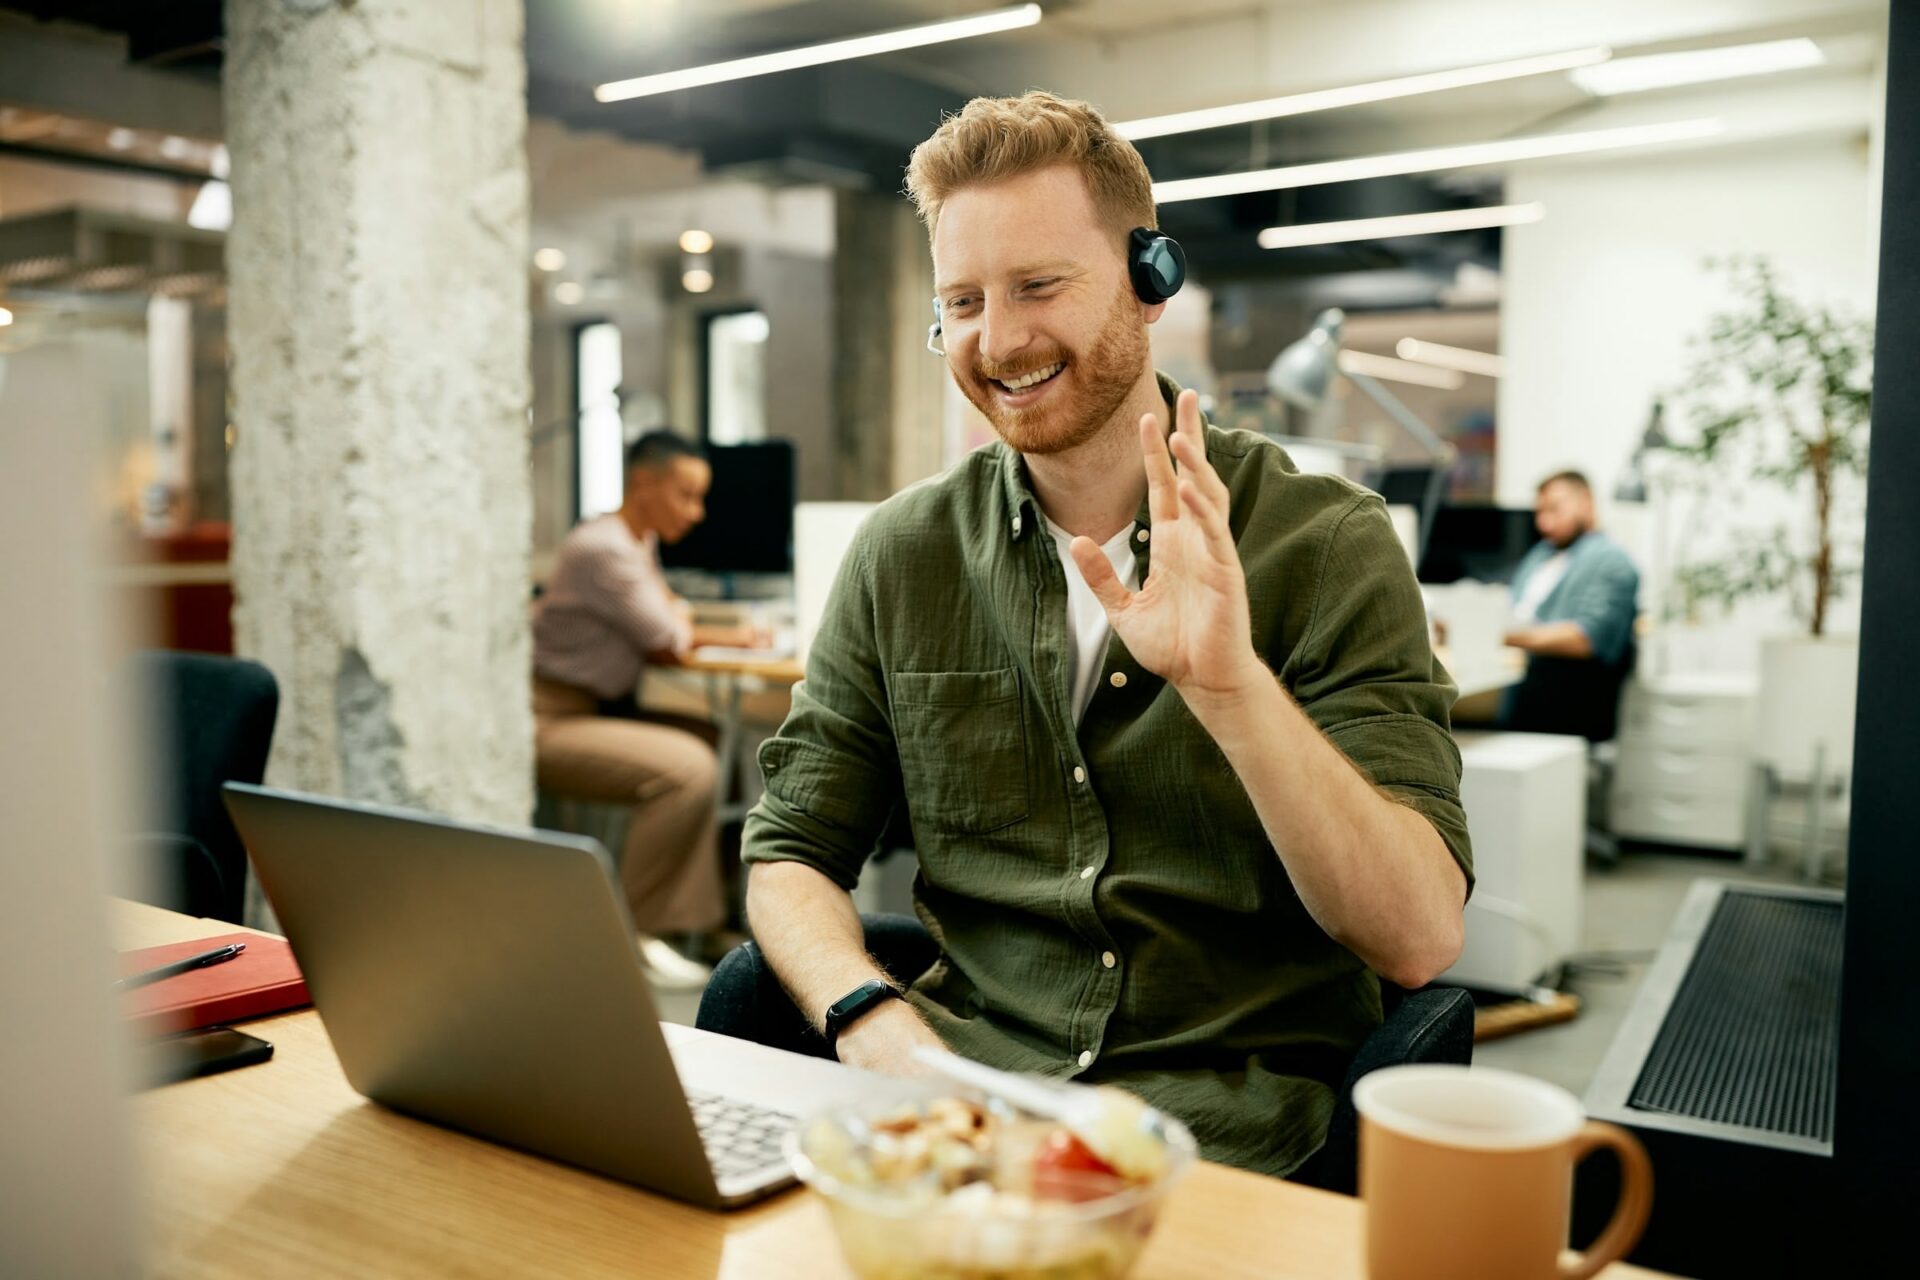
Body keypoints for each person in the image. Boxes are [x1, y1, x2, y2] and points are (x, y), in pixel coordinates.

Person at [737, 92, 1471, 1178]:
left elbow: (1418, 936)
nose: (1000, 339)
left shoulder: (1327, 544)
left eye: (1039, 285)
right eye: (965, 300)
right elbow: (790, 847)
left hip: (1216, 1144)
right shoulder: (905, 553)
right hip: (957, 1119)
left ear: (1150, 277)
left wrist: (1232, 689)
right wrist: (869, 1021)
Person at [532, 430, 759, 989]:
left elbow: (671, 618)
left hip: (597, 708)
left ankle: (703, 923)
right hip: (547, 719)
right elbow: (664, 635)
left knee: (715, 742)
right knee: (686, 766)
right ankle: (632, 933)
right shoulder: (602, 546)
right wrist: (680, 620)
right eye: (685, 494)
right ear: (643, 483)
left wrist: (679, 618)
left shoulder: (636, 541)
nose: (697, 512)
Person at [1499, 470, 1641, 738]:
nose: (1544, 523)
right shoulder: (1541, 554)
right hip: (1521, 687)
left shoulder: (1611, 561)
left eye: (1554, 509)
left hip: (1566, 701)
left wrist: (1502, 636)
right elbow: (1510, 608)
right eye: (1539, 512)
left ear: (1586, 502)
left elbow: (1586, 638)